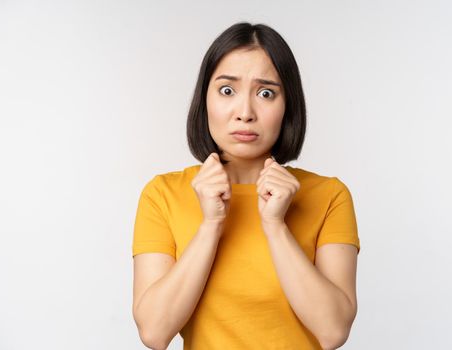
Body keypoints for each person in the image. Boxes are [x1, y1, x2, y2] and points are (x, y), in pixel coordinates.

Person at [131, 21, 360, 350]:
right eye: (227, 90)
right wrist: (210, 225)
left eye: (266, 93)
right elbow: (154, 332)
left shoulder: (328, 196)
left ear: (288, 106)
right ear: (204, 99)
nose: (245, 112)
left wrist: (275, 225)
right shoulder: (163, 194)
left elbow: (333, 330)